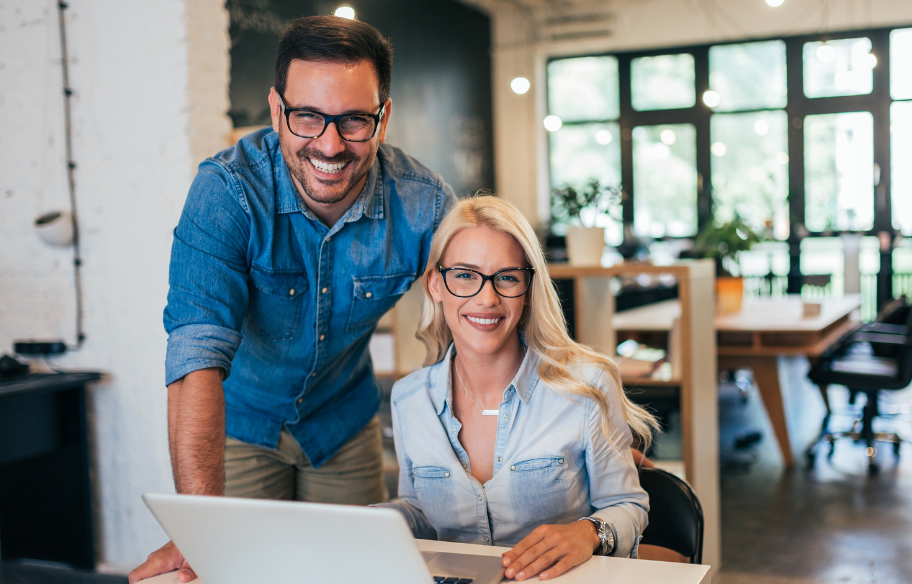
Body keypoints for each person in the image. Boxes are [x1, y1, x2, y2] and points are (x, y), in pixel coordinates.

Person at [129, 16, 454, 584]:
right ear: (277, 110)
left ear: (383, 117)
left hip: (343, 423)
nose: (330, 145)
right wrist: (200, 528)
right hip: (239, 424)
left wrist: (583, 422)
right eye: (307, 117)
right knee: (237, 574)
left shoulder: (423, 204)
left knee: (357, 576)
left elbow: (492, 315)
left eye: (354, 120)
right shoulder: (226, 192)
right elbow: (195, 354)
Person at [377, 195, 660, 581]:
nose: (487, 298)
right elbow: (421, 515)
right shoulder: (409, 399)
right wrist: (375, 520)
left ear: (527, 289)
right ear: (435, 285)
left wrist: (587, 533)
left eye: (507, 277)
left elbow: (628, 504)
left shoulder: (586, 386)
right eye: (465, 275)